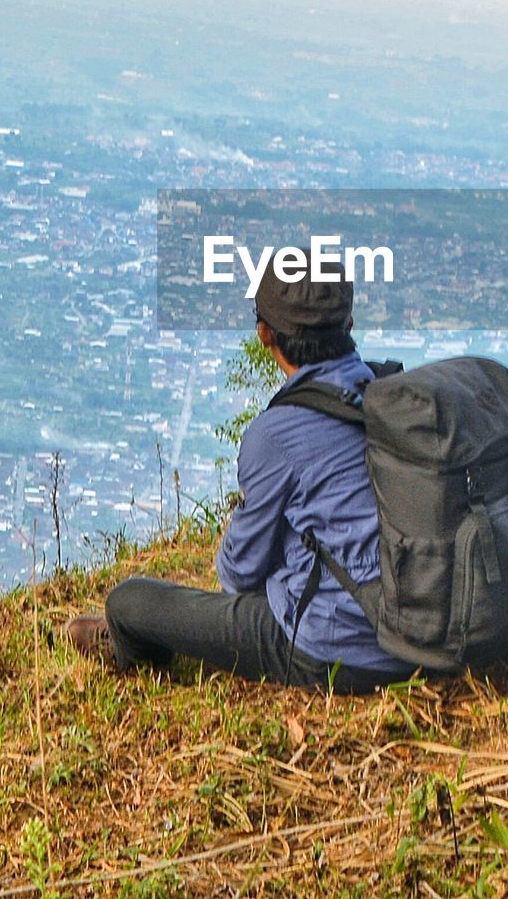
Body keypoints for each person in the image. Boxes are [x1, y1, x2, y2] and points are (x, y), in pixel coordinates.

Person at [64, 251, 414, 694]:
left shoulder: (277, 434)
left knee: (128, 601)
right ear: (348, 325)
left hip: (337, 650)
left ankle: (131, 653)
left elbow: (238, 575)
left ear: (265, 333)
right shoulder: (397, 396)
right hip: (423, 627)